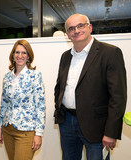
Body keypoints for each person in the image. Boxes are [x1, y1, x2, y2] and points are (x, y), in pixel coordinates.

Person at [54, 13, 127, 160]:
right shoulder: (65, 56)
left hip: (96, 125)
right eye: (71, 28)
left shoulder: (110, 53)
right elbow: (60, 86)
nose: (76, 30)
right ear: (67, 34)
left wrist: (111, 132)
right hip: (67, 122)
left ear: (90, 27)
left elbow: (118, 97)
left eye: (80, 25)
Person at [0, 40, 46, 160]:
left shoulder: (35, 76)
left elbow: (40, 106)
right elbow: (4, 103)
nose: (20, 56)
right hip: (7, 129)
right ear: (13, 55)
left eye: (24, 53)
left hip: (26, 131)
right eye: (17, 52)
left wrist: (38, 134)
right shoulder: (7, 77)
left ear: (28, 56)